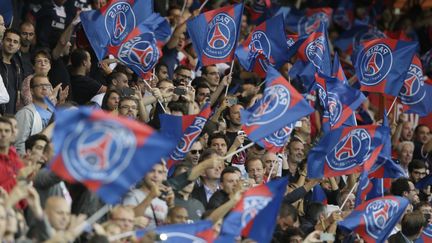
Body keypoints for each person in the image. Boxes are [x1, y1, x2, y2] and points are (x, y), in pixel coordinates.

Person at [15, 75, 54, 155]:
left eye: (47, 85)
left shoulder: (53, 112)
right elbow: (19, 144)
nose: (44, 88)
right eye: (40, 85)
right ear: (32, 91)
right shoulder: (25, 113)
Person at [0, 28, 23, 114]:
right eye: (8, 40)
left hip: (10, 116)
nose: (11, 44)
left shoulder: (17, 67)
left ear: (18, 47)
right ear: (2, 41)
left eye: (15, 42)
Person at [0, 117, 24, 193]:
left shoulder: (16, 159)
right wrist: (18, 179)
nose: (3, 134)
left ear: (12, 134)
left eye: (6, 131)